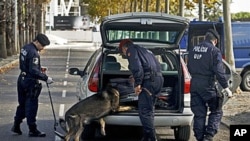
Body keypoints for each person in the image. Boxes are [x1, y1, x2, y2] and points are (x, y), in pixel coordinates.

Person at [187, 29, 233, 141]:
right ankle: (208, 136)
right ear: (215, 41)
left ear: (205, 38)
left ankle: (199, 137)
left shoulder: (193, 49)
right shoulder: (214, 51)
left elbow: (189, 67)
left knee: (199, 113)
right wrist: (226, 88)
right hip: (208, 85)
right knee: (217, 110)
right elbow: (219, 71)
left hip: (195, 84)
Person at [119, 39, 163, 141]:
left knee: (145, 111)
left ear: (124, 48)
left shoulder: (131, 50)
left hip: (149, 82)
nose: (125, 55)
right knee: (150, 110)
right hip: (158, 80)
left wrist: (138, 83)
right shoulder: (145, 50)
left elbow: (137, 67)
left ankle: (151, 138)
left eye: (123, 53)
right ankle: (147, 137)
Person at [11, 33, 54, 137]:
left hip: (21, 79)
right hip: (30, 82)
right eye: (42, 45)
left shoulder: (25, 48)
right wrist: (46, 78)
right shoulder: (34, 53)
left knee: (22, 104)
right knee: (31, 106)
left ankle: (16, 125)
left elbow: (27, 65)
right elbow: (33, 70)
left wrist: (40, 69)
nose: (42, 48)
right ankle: (32, 129)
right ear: (37, 42)